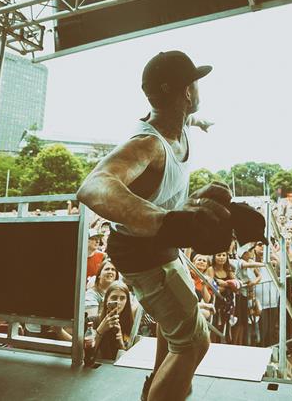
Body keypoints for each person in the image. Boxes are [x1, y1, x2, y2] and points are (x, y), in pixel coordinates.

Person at [77, 50, 230, 401]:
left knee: (173, 324)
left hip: (161, 248)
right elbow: (94, 186)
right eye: (193, 82)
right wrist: (168, 220)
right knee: (193, 341)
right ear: (185, 92)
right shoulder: (148, 143)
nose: (197, 89)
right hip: (141, 253)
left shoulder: (178, 126)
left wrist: (200, 125)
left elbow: (184, 125)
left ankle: (154, 390)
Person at [85, 281, 135, 363]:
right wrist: (100, 330)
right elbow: (86, 354)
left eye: (122, 298)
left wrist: (121, 343)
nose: (118, 302)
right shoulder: (92, 321)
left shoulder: (129, 324)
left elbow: (129, 360)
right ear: (106, 299)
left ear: (127, 301)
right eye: (114, 298)